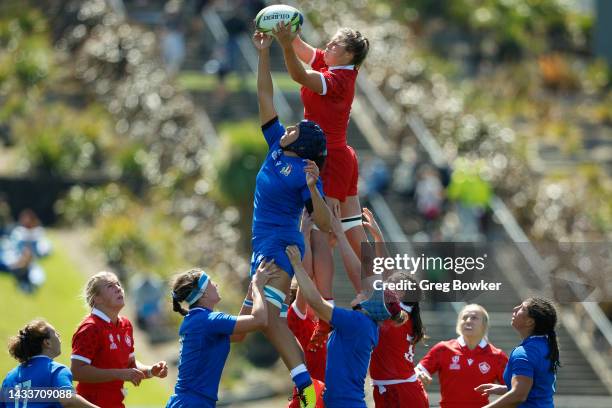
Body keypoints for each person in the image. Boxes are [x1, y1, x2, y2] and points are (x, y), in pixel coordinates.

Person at [245, 30, 332, 408]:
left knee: (265, 321)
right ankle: (305, 384)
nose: (288, 127)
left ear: (301, 147)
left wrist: (314, 189)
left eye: (295, 130)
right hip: (263, 243)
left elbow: (326, 224)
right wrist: (263, 53)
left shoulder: (303, 174)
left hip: (280, 246)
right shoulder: (277, 144)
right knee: (254, 323)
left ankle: (306, 387)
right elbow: (265, 96)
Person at [274, 22, 370, 346]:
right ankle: (371, 294)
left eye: (334, 45)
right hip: (341, 154)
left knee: (320, 236)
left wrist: (285, 46)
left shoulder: (338, 78)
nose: (326, 48)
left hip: (328, 160)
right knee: (351, 230)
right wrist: (284, 34)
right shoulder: (333, 65)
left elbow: (299, 75)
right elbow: (306, 50)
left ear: (350, 55)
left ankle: (326, 310)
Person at [286, 245, 403, 408]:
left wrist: (297, 265)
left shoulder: (356, 321)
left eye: (366, 293)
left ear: (371, 304)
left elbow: (316, 302)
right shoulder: (368, 324)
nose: (360, 293)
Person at [166, 262, 275, 407]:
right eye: (211, 282)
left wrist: (250, 297)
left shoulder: (197, 319)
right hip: (193, 403)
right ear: (203, 293)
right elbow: (260, 321)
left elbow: (238, 336)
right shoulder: (209, 320)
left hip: (190, 402)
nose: (216, 285)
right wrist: (257, 287)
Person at [70, 271, 168, 408]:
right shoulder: (90, 328)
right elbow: (76, 371)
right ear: (97, 298)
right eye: (110, 286)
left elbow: (129, 365)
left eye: (118, 284)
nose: (118, 288)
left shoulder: (125, 325)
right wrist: (119, 374)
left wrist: (151, 371)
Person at [417, 304, 508, 408]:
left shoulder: (497, 356)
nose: (468, 321)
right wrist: (419, 374)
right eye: (464, 318)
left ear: (485, 325)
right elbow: (418, 370)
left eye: (474, 318)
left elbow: (514, 389)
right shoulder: (443, 348)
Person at [476, 298, 560, 408]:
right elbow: (535, 387)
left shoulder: (524, 353)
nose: (515, 308)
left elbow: (519, 395)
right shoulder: (545, 345)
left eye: (522, 308)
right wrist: (504, 389)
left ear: (530, 321)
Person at [1, 320, 99, 407]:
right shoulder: (55, 370)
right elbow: (68, 400)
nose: (59, 338)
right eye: (56, 334)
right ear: (47, 343)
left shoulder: (10, 377)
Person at [370, 273, 429, 408]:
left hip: (400, 390)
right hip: (397, 388)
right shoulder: (403, 316)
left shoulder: (394, 317)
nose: (385, 287)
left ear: (400, 293)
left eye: (389, 284)